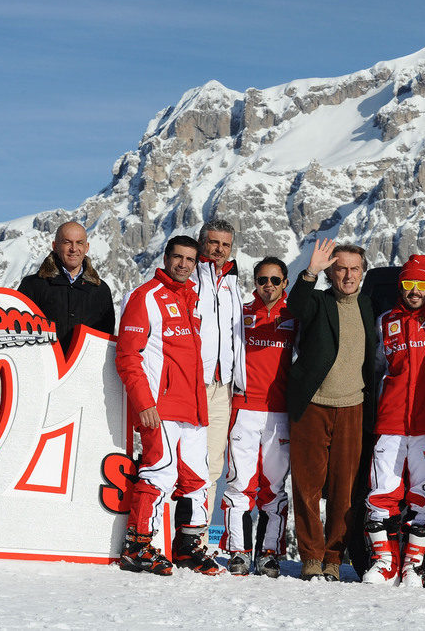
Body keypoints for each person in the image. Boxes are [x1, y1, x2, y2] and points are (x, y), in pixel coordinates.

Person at [113, 235, 222, 576]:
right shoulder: (146, 297)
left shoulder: (192, 298)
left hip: (192, 408)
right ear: (166, 257)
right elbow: (128, 355)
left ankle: (187, 548)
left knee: (197, 479)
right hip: (159, 407)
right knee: (160, 471)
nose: (183, 264)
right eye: (178, 257)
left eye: (190, 259)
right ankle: (137, 546)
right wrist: (143, 403)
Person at [286, 238, 378, 581]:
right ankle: (311, 554)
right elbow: (295, 307)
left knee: (345, 489)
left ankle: (334, 557)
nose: (348, 275)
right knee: (308, 486)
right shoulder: (318, 302)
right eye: (341, 268)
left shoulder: (368, 306)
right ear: (331, 272)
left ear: (362, 273)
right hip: (314, 405)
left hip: (352, 407)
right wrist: (310, 272)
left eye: (354, 269)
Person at [362, 254, 425, 587]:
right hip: (391, 421)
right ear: (401, 285)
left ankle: (414, 565)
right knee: (382, 492)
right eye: (409, 284)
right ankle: (385, 563)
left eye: (421, 284)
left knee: (423, 496)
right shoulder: (385, 321)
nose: (414, 291)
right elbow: (376, 369)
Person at [219, 257, 297, 578]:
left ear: (285, 283)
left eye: (275, 280)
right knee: (240, 484)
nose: (268, 286)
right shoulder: (241, 313)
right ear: (255, 283)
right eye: (263, 280)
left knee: (274, 487)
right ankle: (238, 551)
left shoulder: (296, 315)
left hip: (279, 413)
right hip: (244, 409)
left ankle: (268, 553)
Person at [181, 219, 243, 548]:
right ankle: (175, 532)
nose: (219, 249)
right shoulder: (191, 278)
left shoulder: (232, 281)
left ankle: (199, 538)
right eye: (213, 242)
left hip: (223, 385)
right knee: (186, 460)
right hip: (193, 384)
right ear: (202, 242)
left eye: (225, 245)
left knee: (214, 465)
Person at [18, 221, 115, 351]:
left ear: (87, 247)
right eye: (67, 242)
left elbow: (106, 338)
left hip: (85, 369)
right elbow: (18, 332)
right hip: (43, 367)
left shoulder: (100, 290)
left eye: (79, 243)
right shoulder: (33, 285)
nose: (73, 249)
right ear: (55, 246)